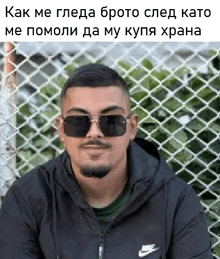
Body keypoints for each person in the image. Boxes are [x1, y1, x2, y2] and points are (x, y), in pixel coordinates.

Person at [0, 63, 213, 259]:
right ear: (61, 130)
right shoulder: (28, 198)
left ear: (132, 127)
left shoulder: (175, 201)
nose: (94, 133)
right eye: (78, 122)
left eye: (111, 121)